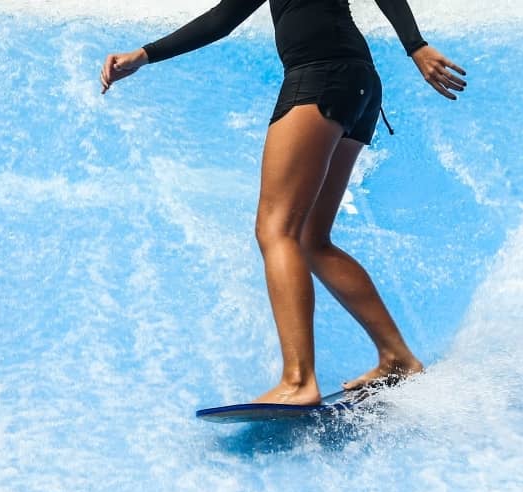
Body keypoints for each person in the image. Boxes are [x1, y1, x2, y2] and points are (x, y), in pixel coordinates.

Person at [100, 0, 466, 405]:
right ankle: (396, 357)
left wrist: (415, 44)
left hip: (319, 77)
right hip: (356, 83)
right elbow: (224, 18)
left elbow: (223, 18)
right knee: (311, 238)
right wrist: (145, 55)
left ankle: (298, 381)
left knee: (276, 230)